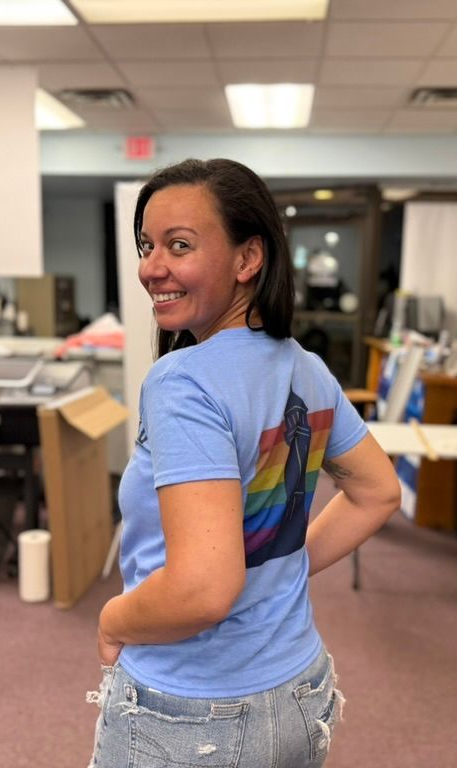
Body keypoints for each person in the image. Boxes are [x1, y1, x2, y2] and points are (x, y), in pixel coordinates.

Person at [88, 158, 401, 768]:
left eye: (180, 245)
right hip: (299, 687)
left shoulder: (183, 382)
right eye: (147, 245)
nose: (151, 267)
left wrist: (113, 618)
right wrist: (282, 567)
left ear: (248, 258)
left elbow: (203, 589)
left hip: (190, 709)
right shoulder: (306, 367)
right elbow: (378, 492)